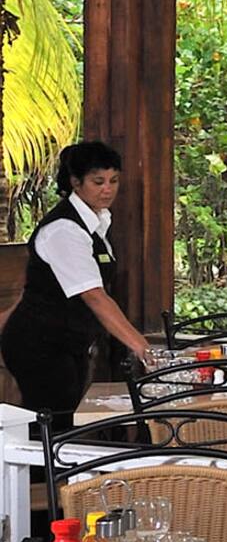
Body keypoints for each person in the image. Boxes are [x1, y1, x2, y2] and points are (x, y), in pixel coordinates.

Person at [1, 139, 154, 432]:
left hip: (68, 342)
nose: (107, 189)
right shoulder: (64, 229)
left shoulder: (97, 222)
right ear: (76, 182)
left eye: (114, 180)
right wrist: (144, 349)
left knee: (62, 421)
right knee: (51, 426)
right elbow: (95, 296)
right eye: (98, 182)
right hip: (39, 344)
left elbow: (34, 286)